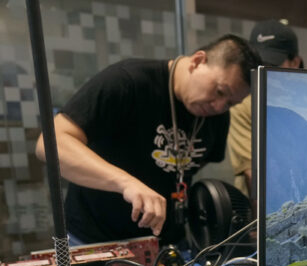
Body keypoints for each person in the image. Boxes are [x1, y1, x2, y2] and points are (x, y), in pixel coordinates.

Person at [36, 34, 261, 245]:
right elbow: (49, 144)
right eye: (220, 91)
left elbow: (188, 167)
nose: (219, 106)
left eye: (230, 103)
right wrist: (126, 183)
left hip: (165, 243)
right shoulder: (127, 81)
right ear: (198, 61)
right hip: (95, 240)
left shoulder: (217, 117)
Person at [228, 20, 303, 197]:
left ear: (295, 62)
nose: (263, 72)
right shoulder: (243, 104)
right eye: (257, 65)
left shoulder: (306, 102)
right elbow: (253, 175)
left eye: (272, 65)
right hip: (257, 203)